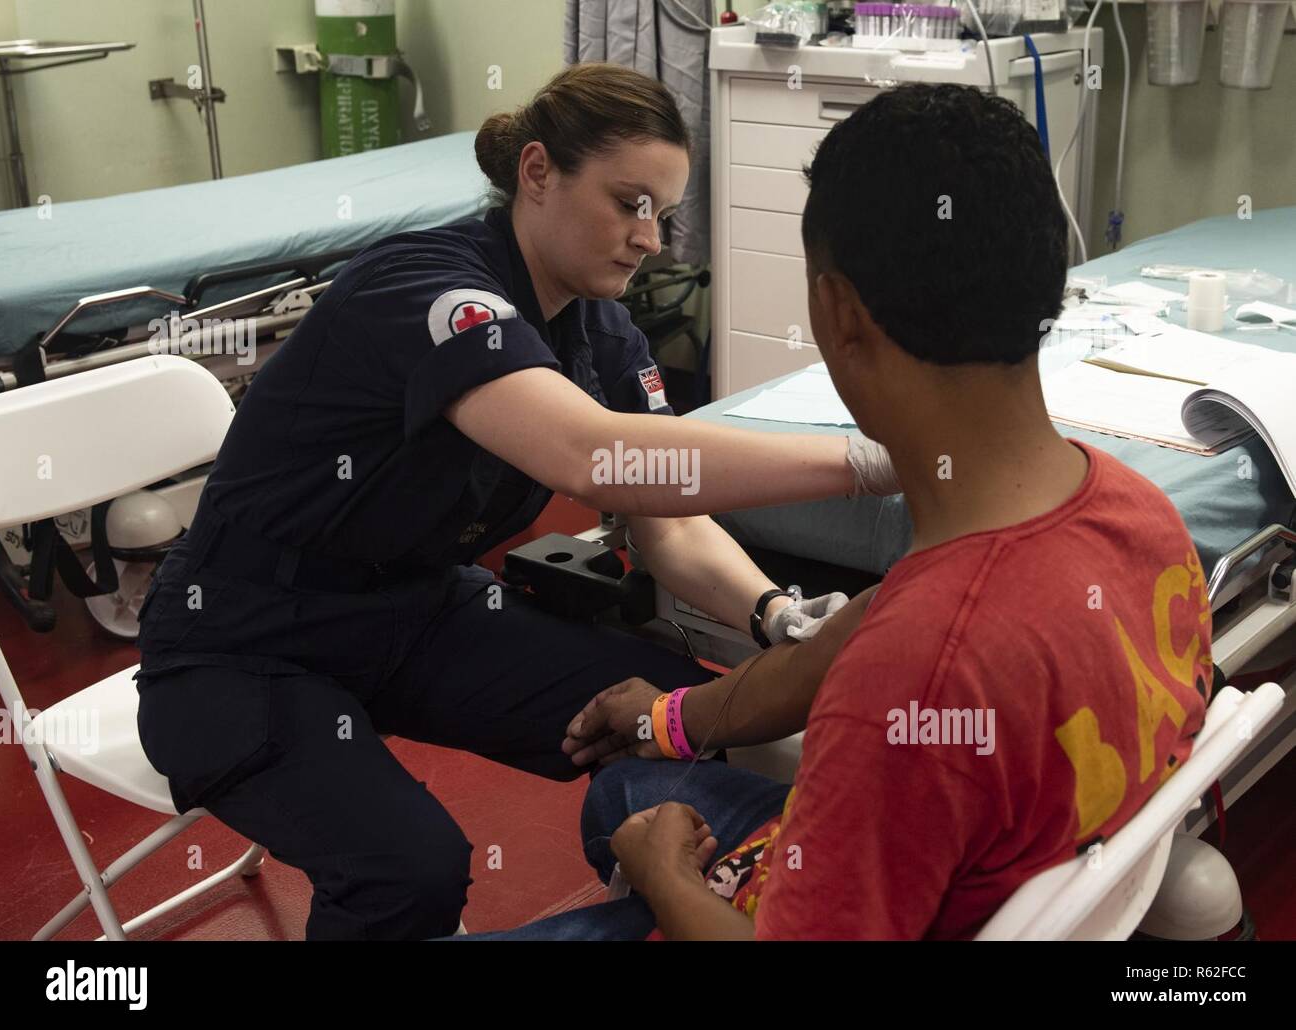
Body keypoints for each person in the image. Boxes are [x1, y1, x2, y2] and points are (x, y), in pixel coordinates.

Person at [132, 62, 898, 941]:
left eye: (664, 213)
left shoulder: (597, 328)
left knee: (694, 714)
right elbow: (601, 458)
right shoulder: (429, 289)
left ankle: (673, 893)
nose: (651, 238)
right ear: (537, 173)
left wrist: (774, 618)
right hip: (243, 637)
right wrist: (865, 459)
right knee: (410, 873)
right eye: (630, 202)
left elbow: (672, 524)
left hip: (407, 611)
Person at [460, 82, 1213, 941]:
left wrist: (665, 877)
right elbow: (864, 632)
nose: (647, 237)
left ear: (836, 311)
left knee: (633, 834)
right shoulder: (1140, 512)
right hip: (993, 871)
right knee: (624, 788)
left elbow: (890, 656)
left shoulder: (913, 686)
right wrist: (670, 717)